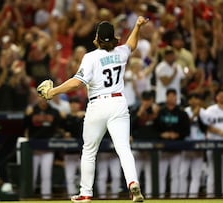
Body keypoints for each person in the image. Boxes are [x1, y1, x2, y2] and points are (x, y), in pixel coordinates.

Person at [37, 16, 149, 202]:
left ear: (97, 37)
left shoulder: (90, 57)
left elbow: (76, 83)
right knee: (123, 148)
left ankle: (86, 193)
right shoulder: (121, 52)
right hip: (119, 103)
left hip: (98, 104)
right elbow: (132, 44)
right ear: (113, 38)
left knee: (89, 150)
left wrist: (52, 92)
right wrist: (137, 26)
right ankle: (133, 184)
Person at [154, 88, 190, 198]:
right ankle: (160, 197)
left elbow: (186, 130)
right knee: (161, 174)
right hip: (163, 147)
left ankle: (174, 198)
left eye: (174, 96)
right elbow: (155, 128)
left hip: (177, 147)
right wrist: (162, 134)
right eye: (170, 96)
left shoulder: (182, 113)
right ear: (166, 97)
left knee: (175, 174)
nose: (172, 98)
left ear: (176, 98)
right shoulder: (161, 112)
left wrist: (177, 135)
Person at [24, 97, 62, 199]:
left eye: (45, 98)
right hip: (33, 147)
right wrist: (27, 115)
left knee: (46, 175)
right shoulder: (32, 110)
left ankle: (46, 198)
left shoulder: (53, 111)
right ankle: (29, 197)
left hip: (48, 147)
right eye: (40, 97)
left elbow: (59, 126)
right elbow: (24, 126)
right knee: (32, 175)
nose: (43, 100)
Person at [130, 90, 159, 198]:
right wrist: (138, 114)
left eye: (149, 100)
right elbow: (130, 125)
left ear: (152, 101)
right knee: (134, 175)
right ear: (141, 100)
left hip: (152, 149)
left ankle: (151, 198)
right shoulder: (135, 110)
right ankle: (133, 196)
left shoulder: (155, 110)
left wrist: (157, 115)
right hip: (137, 146)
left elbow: (160, 128)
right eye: (145, 100)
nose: (147, 102)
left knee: (150, 175)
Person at [179, 93, 208, 198]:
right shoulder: (184, 112)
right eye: (192, 98)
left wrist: (198, 115)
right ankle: (181, 197)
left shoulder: (204, 112)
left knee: (196, 175)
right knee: (183, 173)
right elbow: (184, 127)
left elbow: (206, 128)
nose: (194, 100)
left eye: (196, 98)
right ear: (189, 101)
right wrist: (193, 116)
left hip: (199, 144)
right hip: (186, 144)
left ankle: (193, 197)